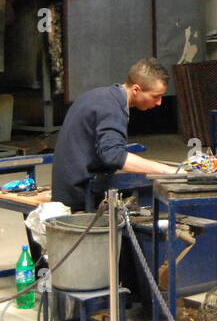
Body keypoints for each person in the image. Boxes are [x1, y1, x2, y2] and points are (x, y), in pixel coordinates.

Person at [51, 57, 178, 212]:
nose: (159, 103)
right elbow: (113, 156)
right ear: (136, 89)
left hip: (70, 185)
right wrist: (169, 171)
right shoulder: (111, 109)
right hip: (79, 195)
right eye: (155, 96)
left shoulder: (101, 96)